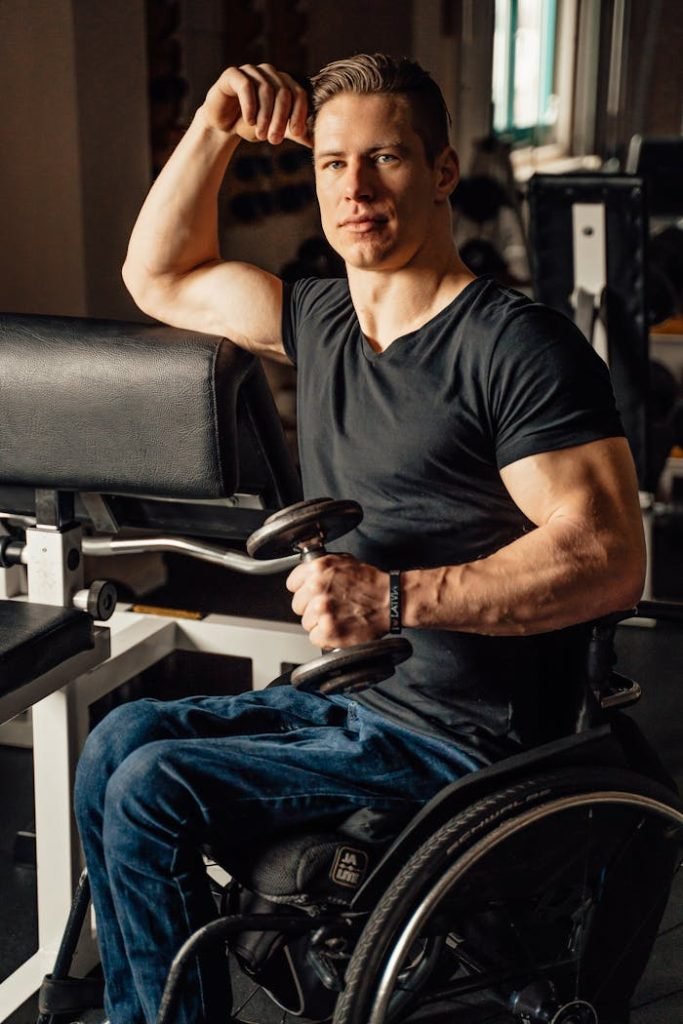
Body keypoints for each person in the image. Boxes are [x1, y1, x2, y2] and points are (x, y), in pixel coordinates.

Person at [75, 54, 645, 1024]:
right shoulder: (322, 318)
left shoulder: (514, 349)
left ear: (440, 171)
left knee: (152, 787)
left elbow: (607, 555)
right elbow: (155, 274)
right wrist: (216, 119)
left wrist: (393, 599)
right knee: (114, 743)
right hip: (359, 706)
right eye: (332, 162)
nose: (354, 187)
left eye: (382, 157)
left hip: (465, 742)